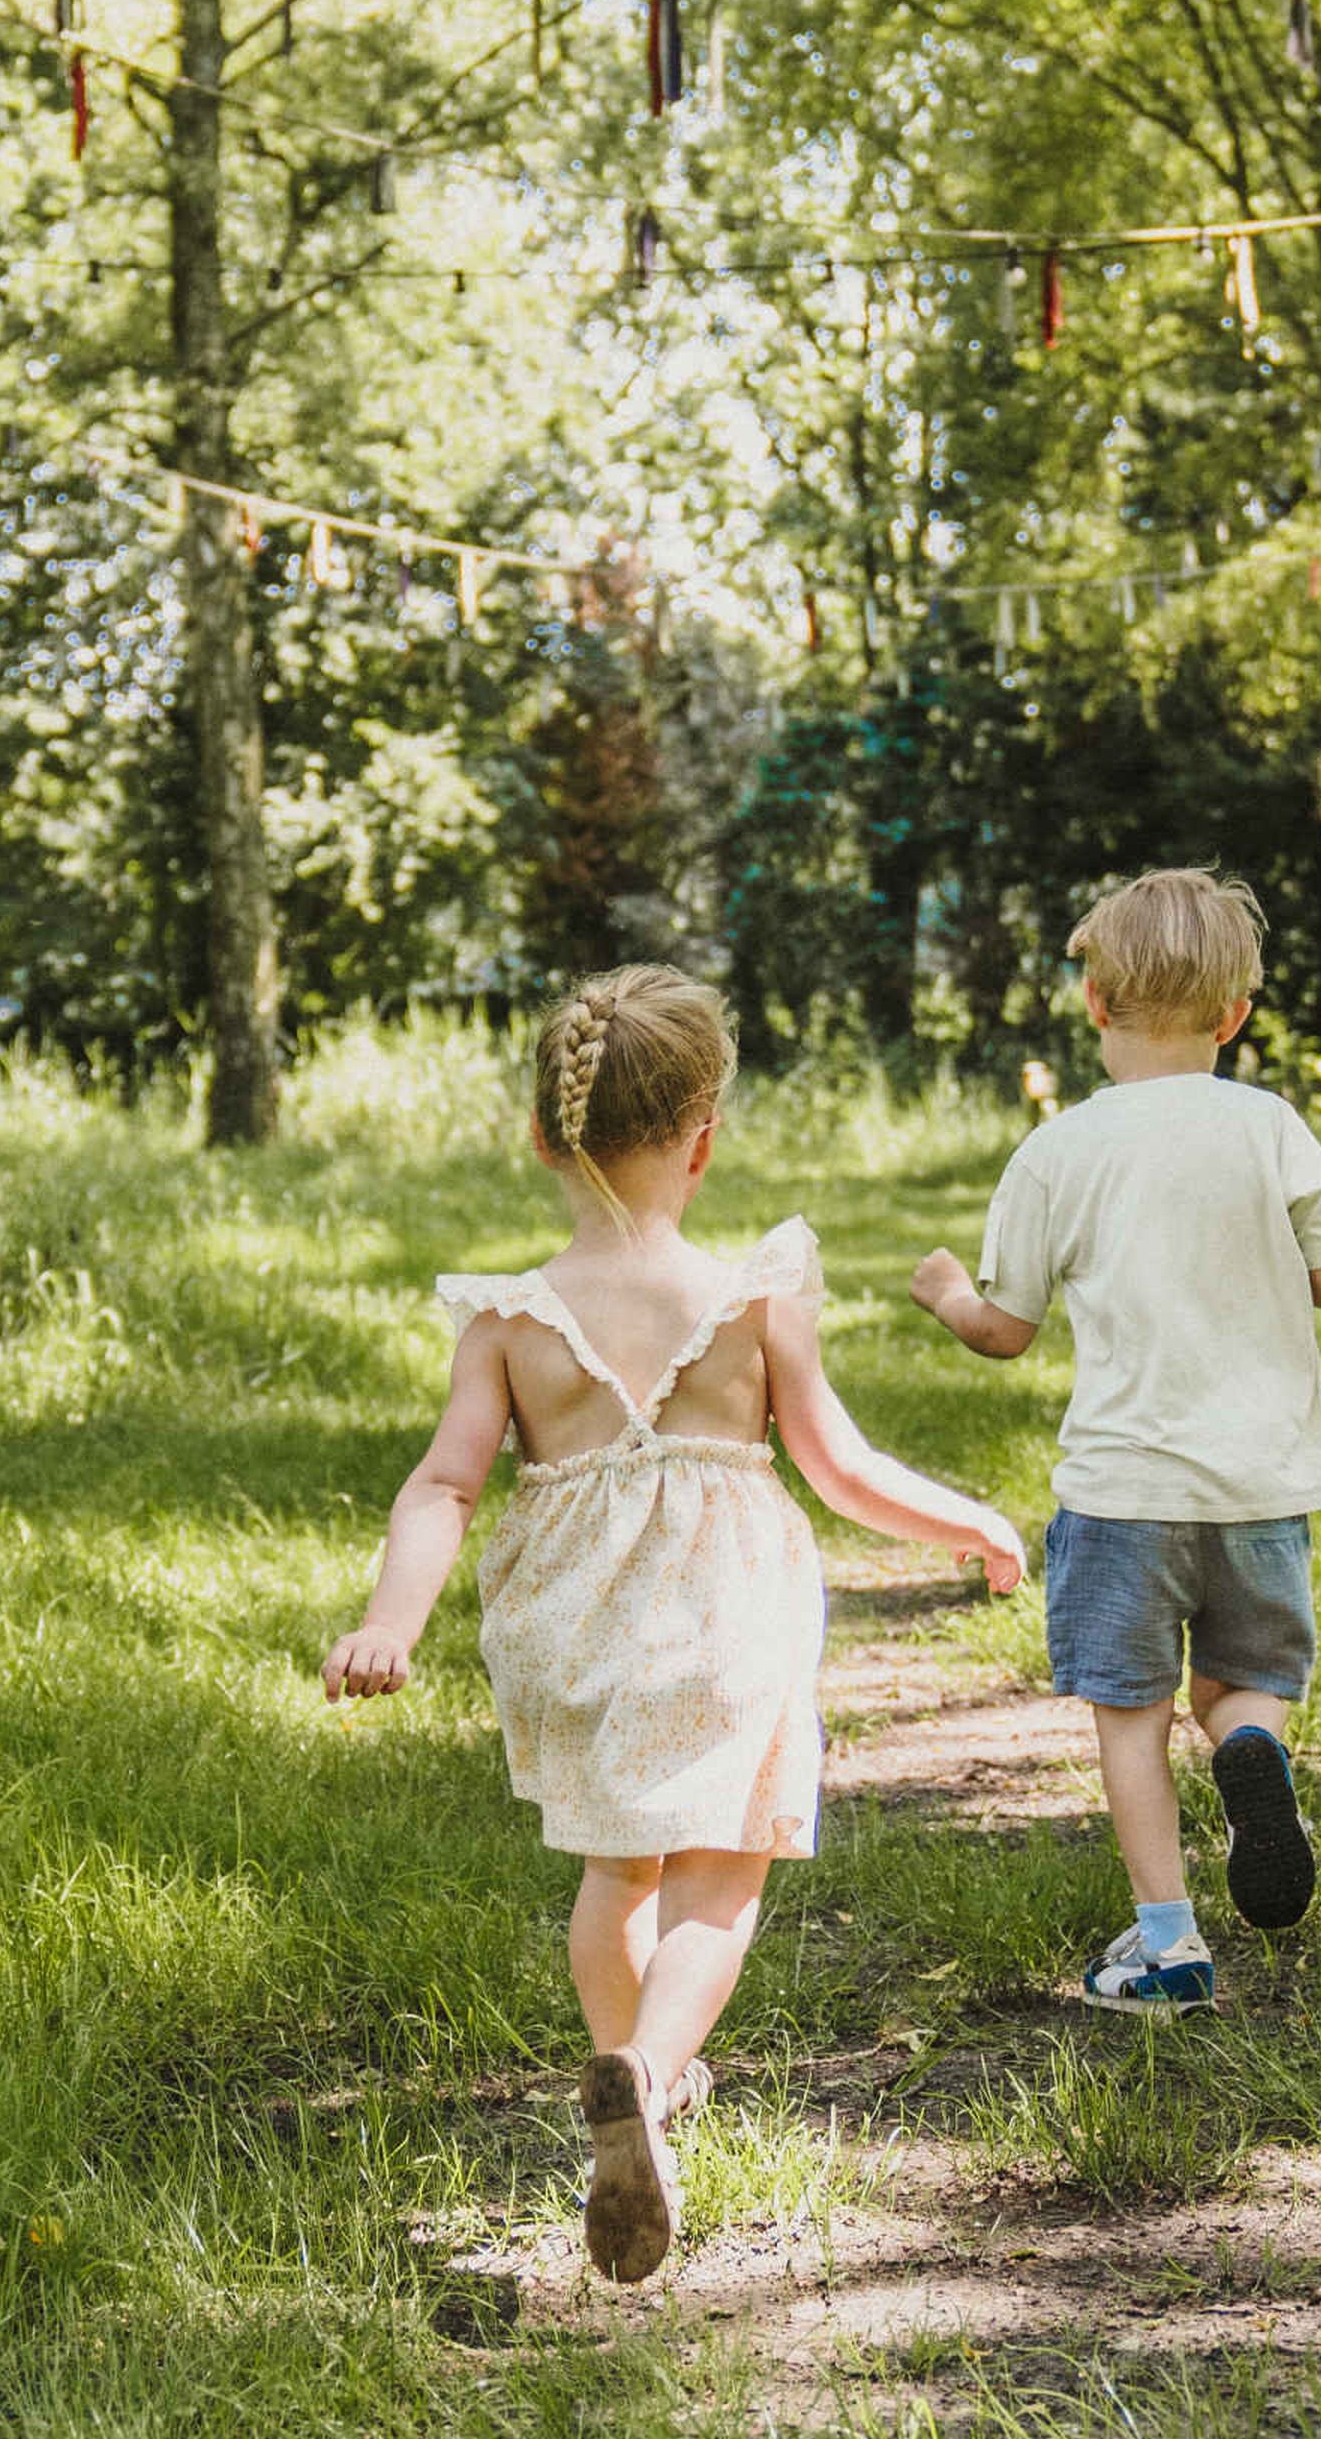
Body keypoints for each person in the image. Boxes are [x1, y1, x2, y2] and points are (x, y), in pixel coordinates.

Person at [323, 966, 1025, 2278]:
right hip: (728, 1622)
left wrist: (390, 1622)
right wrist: (971, 1524)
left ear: (544, 1136)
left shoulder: (508, 1319)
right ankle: (650, 2069)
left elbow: (444, 1485)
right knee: (722, 1868)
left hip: (572, 1637)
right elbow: (844, 1470)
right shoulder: (755, 1298)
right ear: (706, 1140)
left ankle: (631, 2082)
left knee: (618, 1866)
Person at [908, 868, 1321, 2010]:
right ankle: (1248, 1750)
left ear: (1094, 1003)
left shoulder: (1059, 1151)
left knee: (1132, 1708)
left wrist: (940, 1295)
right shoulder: (1269, 1125)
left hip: (1123, 1493)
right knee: (1243, 1680)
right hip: (1261, 1482)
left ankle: (1169, 1945)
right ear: (1236, 1015)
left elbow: (1005, 1330)